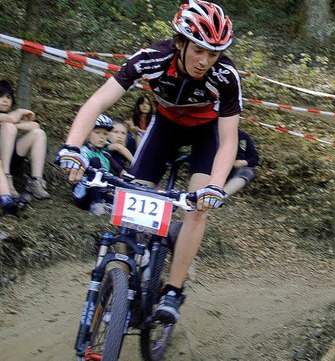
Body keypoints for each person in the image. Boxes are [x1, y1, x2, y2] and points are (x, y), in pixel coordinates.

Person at [58, 0, 241, 325]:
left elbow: (228, 140)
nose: (205, 61)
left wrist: (214, 185)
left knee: (199, 209)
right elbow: (99, 99)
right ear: (180, 42)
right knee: (134, 199)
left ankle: (173, 289)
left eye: (213, 53)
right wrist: (72, 147)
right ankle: (130, 275)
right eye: (199, 50)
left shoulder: (225, 76)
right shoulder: (152, 58)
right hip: (165, 128)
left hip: (205, 134)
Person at [0, 80, 50, 200]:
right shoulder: (10, 116)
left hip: (11, 158)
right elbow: (10, 118)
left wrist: (12, 125)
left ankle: (35, 181)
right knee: (10, 126)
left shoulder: (10, 119)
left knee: (39, 134)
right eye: (0, 96)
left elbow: (35, 126)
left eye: (8, 97)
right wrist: (20, 112)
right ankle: (5, 179)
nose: (5, 100)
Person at [72, 114, 126, 215]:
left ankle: (106, 206)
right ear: (88, 134)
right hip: (82, 194)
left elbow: (117, 172)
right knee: (95, 162)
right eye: (97, 133)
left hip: (101, 191)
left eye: (105, 134)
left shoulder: (105, 155)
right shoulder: (84, 151)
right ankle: (96, 203)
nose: (102, 137)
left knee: (120, 201)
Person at [223, 129, 259, 196]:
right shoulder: (213, 134)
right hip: (217, 166)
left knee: (248, 172)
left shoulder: (243, 136)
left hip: (237, 168)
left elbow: (255, 158)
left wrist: (244, 162)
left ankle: (221, 195)